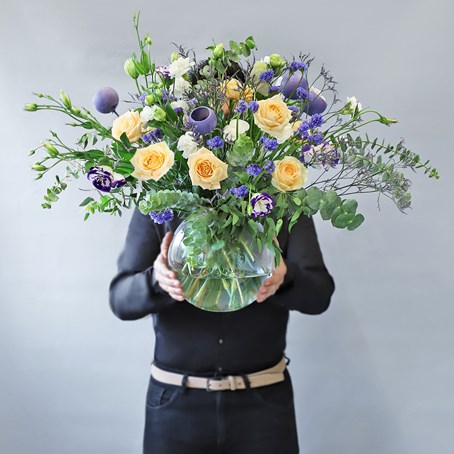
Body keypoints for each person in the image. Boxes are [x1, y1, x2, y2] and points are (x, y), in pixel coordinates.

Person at [109, 206, 335, 454]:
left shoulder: (283, 202)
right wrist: (158, 280)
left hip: (263, 409)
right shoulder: (160, 203)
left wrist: (286, 276)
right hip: (174, 408)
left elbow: (319, 296)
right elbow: (121, 300)